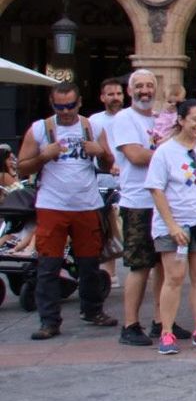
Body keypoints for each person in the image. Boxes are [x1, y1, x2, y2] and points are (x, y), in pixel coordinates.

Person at [17, 81, 116, 338]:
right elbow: (21, 167)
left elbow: (108, 165)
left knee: (89, 263)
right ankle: (49, 321)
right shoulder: (40, 129)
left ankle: (92, 310)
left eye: (70, 105)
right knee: (48, 264)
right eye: (59, 107)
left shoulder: (92, 127)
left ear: (79, 102)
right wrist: (43, 156)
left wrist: (101, 152)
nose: (66, 111)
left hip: (87, 204)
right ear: (52, 104)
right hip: (52, 205)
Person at [146, 100, 196, 355]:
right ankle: (166, 330)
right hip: (175, 222)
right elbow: (156, 190)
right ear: (181, 120)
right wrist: (172, 226)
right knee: (175, 277)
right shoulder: (165, 151)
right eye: (195, 119)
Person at [112, 69, 165, 347]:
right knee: (140, 265)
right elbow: (135, 155)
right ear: (130, 90)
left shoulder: (159, 119)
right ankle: (130, 324)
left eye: (149, 85)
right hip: (137, 202)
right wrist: (167, 155)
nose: (145, 91)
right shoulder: (124, 118)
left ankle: (161, 320)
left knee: (163, 263)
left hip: (162, 203)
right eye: (139, 86)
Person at [88, 75, 126, 288]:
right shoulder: (94, 121)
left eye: (119, 93)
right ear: (102, 97)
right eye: (111, 94)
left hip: (129, 179)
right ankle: (109, 272)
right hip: (103, 177)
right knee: (106, 224)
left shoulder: (130, 118)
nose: (115, 97)